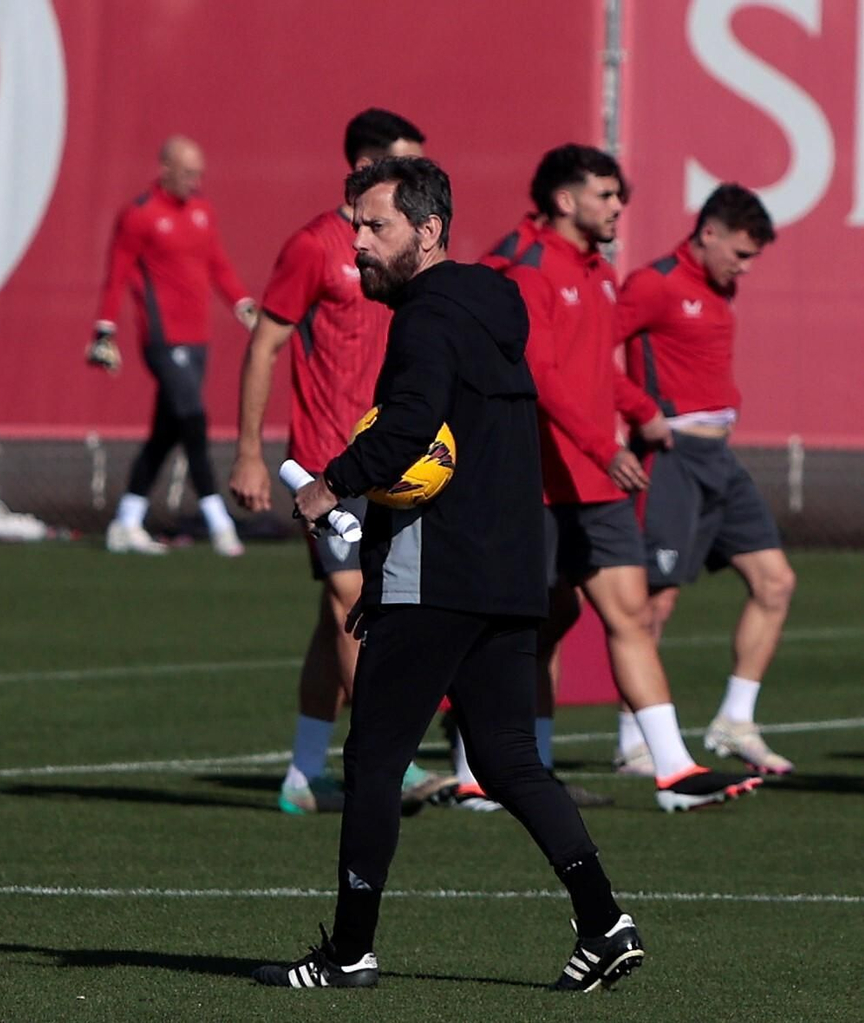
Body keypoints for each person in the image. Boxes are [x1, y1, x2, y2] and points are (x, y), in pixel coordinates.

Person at [255, 156, 643, 992]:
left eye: (376, 227)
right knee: (506, 760)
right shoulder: (492, 303)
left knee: (373, 760)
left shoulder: (424, 321)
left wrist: (330, 485)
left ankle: (350, 949)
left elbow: (408, 432)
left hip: (438, 574)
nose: (357, 242)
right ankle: (604, 920)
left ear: (427, 233)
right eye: (356, 224)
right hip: (509, 573)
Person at [498, 144, 758, 812]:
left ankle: (673, 771)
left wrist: (641, 412)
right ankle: (484, 772)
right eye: (607, 195)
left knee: (630, 615)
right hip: (538, 480)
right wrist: (598, 441)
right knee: (517, 627)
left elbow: (593, 370)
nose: (619, 206)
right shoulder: (528, 267)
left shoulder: (598, 271)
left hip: (596, 481)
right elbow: (539, 373)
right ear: (565, 200)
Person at [229, 108, 450, 814]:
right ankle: (393, 756)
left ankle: (301, 773)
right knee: (354, 602)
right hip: (328, 463)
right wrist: (250, 454)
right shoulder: (315, 247)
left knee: (340, 617)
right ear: (363, 167)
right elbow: (264, 344)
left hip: (393, 457)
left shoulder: (403, 251)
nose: (415, 176)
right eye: (402, 162)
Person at [615, 183, 796, 775]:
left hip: (721, 457)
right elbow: (592, 351)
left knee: (776, 582)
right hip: (672, 458)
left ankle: (733, 720)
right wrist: (639, 415)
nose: (744, 267)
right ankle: (633, 741)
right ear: (709, 232)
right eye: (741, 253)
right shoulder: (654, 282)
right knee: (655, 601)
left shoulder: (722, 287)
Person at [89, 135, 257, 555]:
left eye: (198, 173)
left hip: (199, 338)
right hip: (163, 339)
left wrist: (242, 304)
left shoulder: (202, 211)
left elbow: (217, 262)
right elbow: (116, 274)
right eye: (187, 173)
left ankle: (126, 522)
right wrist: (104, 330)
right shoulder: (140, 215)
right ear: (165, 169)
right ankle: (219, 521)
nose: (194, 181)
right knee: (193, 418)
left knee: (167, 431)